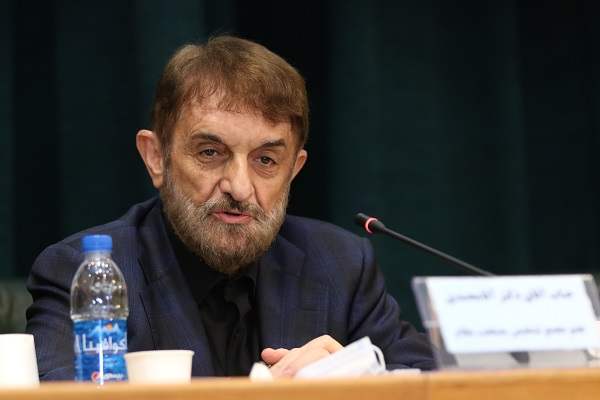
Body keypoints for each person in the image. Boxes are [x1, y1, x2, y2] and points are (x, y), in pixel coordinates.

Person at [26, 35, 434, 380]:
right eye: (210, 152)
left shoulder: (340, 264)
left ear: (294, 169)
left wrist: (364, 375)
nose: (239, 187)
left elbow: (436, 378)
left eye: (266, 160)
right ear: (155, 157)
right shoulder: (82, 272)